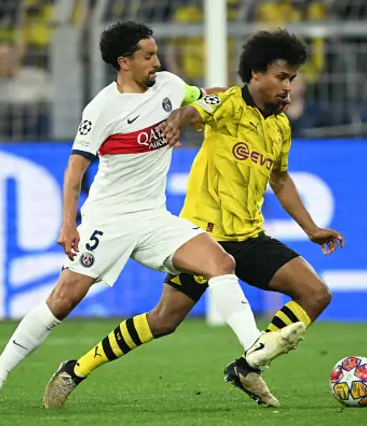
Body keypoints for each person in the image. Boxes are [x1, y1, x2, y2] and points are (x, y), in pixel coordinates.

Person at [0, 21, 302, 412]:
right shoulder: (102, 109)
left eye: (156, 53)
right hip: (109, 218)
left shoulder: (171, 87)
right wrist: (68, 224)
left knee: (219, 262)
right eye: (148, 56)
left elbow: (215, 97)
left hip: (154, 216)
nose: (157, 61)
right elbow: (75, 171)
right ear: (124, 62)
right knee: (62, 299)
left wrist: (192, 110)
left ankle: (253, 348)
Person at [42, 29, 343, 409]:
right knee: (164, 320)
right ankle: (76, 369)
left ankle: (248, 365)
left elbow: (280, 180)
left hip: (249, 237)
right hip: (204, 239)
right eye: (282, 77)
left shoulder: (280, 125)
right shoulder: (227, 103)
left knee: (316, 293)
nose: (288, 87)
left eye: (292, 80)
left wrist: (312, 228)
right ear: (255, 74)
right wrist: (177, 121)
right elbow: (194, 108)